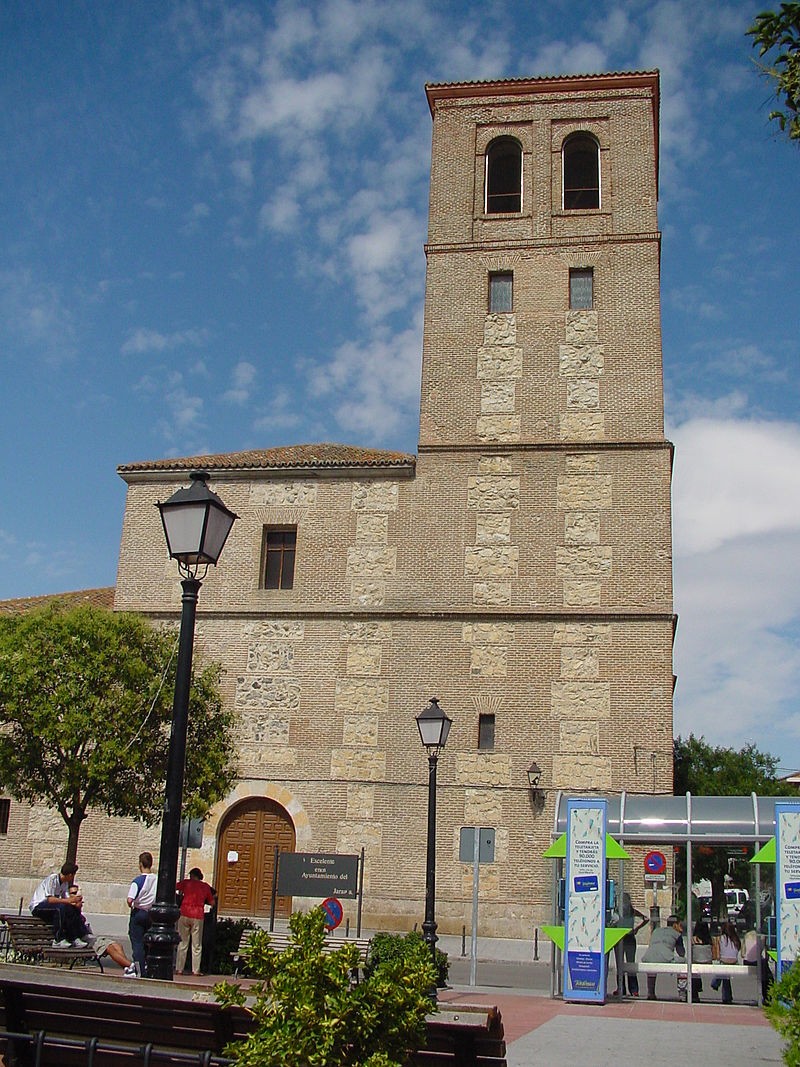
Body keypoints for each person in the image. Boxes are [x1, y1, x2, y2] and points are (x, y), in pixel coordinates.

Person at [70, 884, 138, 978]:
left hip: (90, 938)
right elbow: (75, 930)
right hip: (82, 940)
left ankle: (127, 969)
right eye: (73, 893)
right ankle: (131, 966)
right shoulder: (69, 910)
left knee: (117, 945)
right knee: (109, 947)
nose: (77, 895)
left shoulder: (77, 911)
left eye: (77, 892)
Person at [29, 862, 88, 947]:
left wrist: (75, 904)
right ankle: (58, 939)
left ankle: (76, 936)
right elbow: (50, 900)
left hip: (54, 907)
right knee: (60, 908)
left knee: (70, 909)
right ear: (70, 875)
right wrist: (69, 901)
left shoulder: (65, 883)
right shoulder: (52, 879)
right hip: (38, 907)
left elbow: (67, 900)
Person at [175, 867, 215, 976]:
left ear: (192, 875)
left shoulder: (186, 883)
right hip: (198, 915)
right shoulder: (205, 886)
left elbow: (174, 887)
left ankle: (179, 969)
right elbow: (212, 902)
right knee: (196, 945)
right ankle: (196, 970)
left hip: (184, 913)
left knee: (183, 942)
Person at [127, 851, 157, 975]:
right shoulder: (157, 880)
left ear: (140, 864)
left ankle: (139, 970)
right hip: (151, 914)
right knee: (148, 942)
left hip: (139, 912)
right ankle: (149, 967)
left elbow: (130, 900)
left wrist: (133, 905)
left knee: (137, 943)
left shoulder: (138, 881)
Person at [642, 915, 684, 1000]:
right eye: (680, 924)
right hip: (665, 957)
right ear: (675, 925)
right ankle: (682, 993)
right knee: (684, 963)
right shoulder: (677, 934)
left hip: (648, 957)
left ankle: (651, 993)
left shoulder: (656, 931)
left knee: (651, 967)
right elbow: (681, 953)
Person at [711, 921, 741, 1004]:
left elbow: (717, 953)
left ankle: (715, 982)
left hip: (724, 961)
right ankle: (727, 996)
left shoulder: (720, 938)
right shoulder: (736, 939)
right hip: (734, 961)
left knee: (724, 974)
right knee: (726, 978)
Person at [688, 920, 713, 1001]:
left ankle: (695, 993)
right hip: (707, 960)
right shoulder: (709, 938)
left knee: (694, 972)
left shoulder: (693, 939)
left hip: (696, 960)